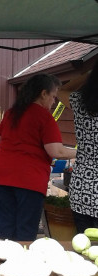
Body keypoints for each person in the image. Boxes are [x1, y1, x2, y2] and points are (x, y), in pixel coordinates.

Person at [0, 73, 76, 241]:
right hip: (28, 180)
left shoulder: (12, 113)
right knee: (25, 230)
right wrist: (83, 152)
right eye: (53, 97)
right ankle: (20, 266)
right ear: (43, 94)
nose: (53, 102)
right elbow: (56, 152)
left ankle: (1, 263)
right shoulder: (44, 117)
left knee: (4, 227)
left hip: (1, 176)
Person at [60, 60, 98, 233]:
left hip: (82, 189)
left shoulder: (79, 102)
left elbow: (61, 90)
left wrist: (88, 73)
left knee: (85, 248)